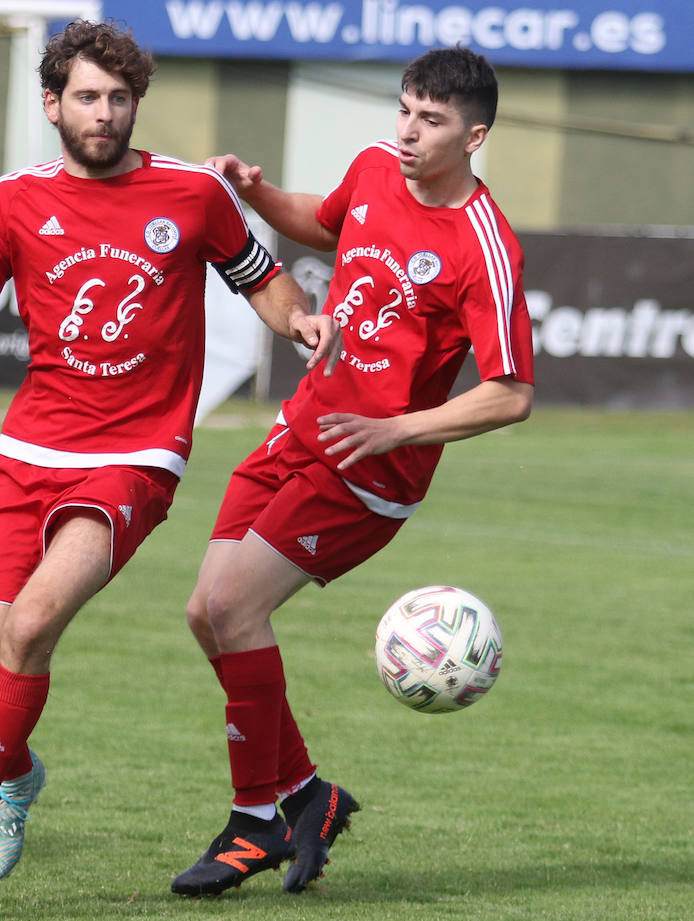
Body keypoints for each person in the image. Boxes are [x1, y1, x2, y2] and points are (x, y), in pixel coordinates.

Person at [0, 19, 339, 892]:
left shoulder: (192, 194)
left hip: (136, 458)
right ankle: (15, 772)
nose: (105, 113)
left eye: (119, 98)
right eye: (88, 97)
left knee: (32, 624)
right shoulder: (16, 198)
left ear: (137, 104)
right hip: (26, 452)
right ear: (53, 104)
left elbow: (263, 278)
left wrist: (300, 320)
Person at [173, 46, 534, 897]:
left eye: (432, 121)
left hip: (371, 473)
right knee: (204, 613)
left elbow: (511, 393)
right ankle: (306, 795)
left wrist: (395, 427)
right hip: (301, 428)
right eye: (405, 110)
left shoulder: (485, 243)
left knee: (232, 605)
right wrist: (256, 195)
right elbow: (325, 219)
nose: (408, 132)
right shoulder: (375, 166)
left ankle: (255, 818)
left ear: (474, 135)